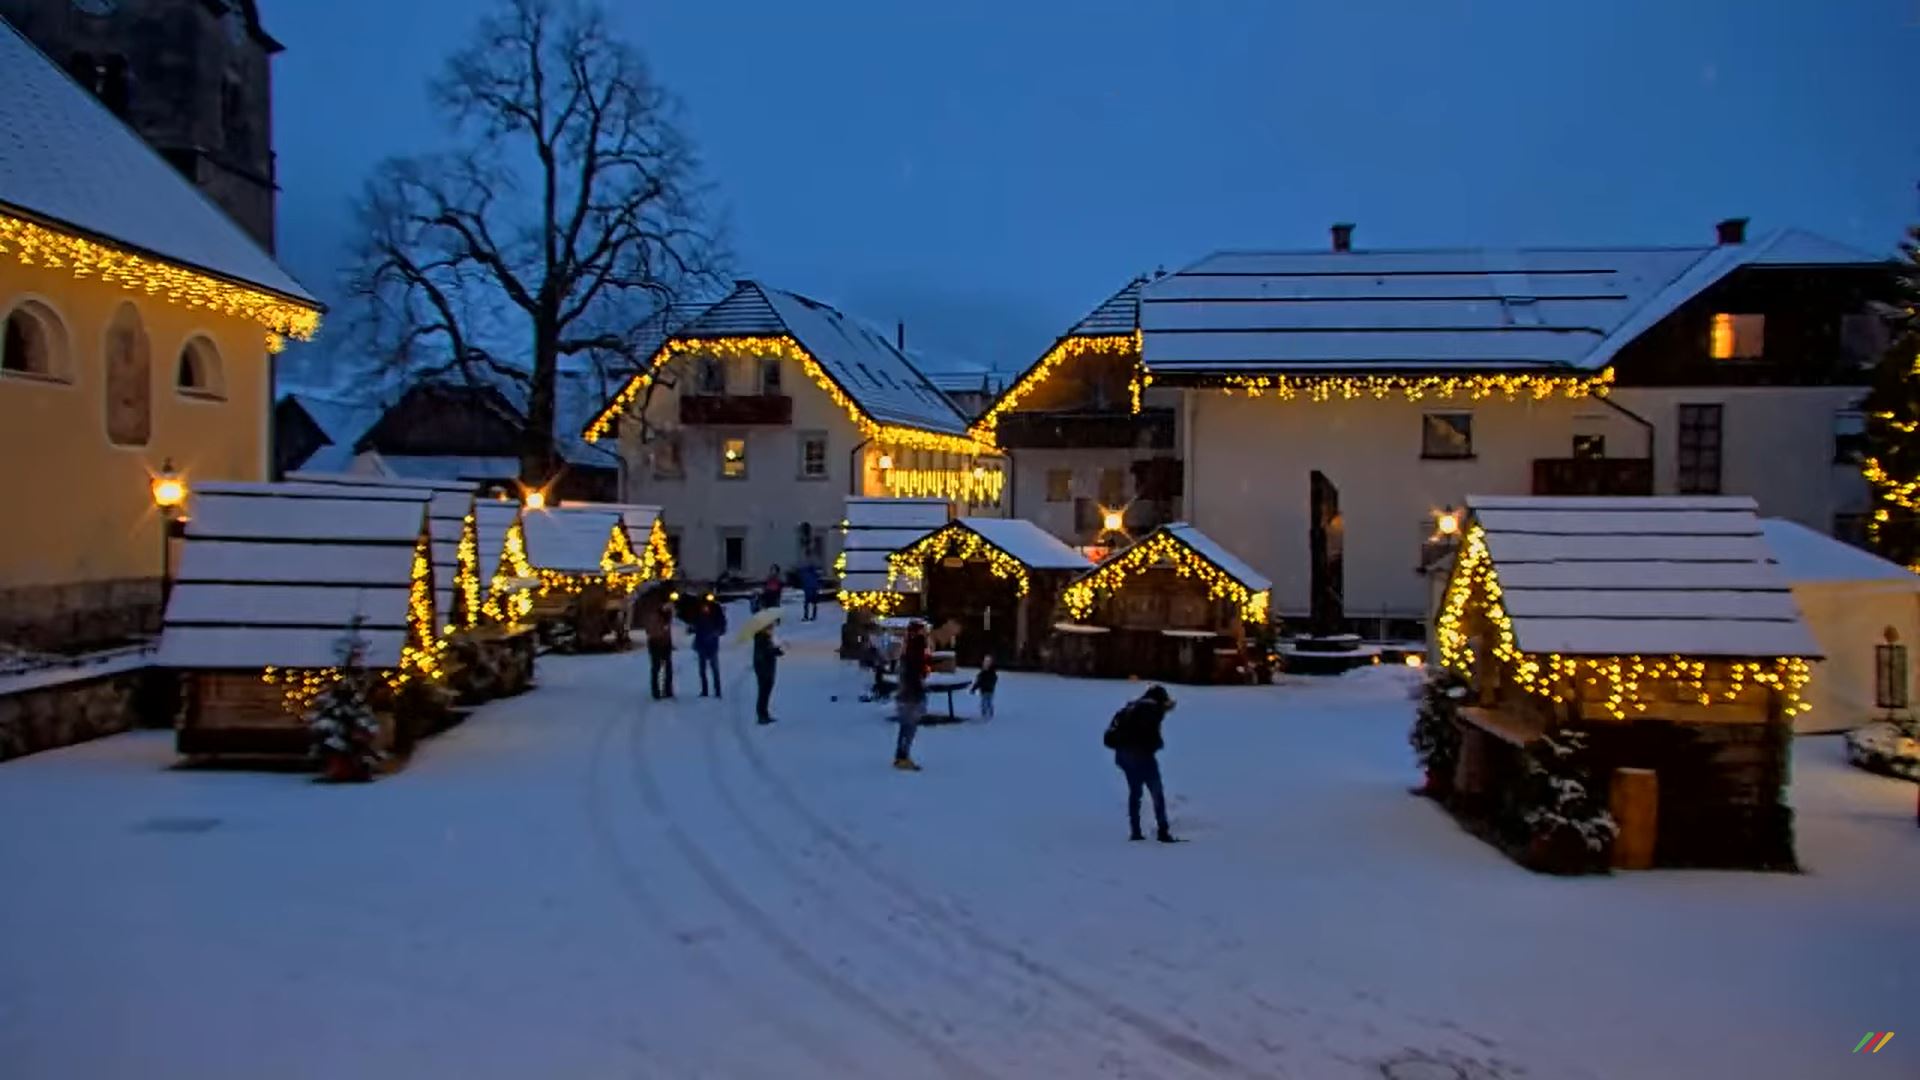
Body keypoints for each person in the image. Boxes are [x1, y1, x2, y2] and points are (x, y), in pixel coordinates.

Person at [1104, 685, 1177, 842]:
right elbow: (1150, 737)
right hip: (1141, 756)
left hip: (1123, 756)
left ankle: (1135, 831)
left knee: (1135, 792)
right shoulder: (1152, 709)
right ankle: (1163, 831)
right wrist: (1157, 744)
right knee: (1156, 791)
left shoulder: (1131, 708)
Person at [893, 621, 930, 770]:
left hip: (907, 693)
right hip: (911, 694)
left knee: (906, 727)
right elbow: (913, 674)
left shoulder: (909, 649)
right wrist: (919, 690)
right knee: (908, 727)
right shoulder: (915, 650)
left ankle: (901, 755)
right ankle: (903, 756)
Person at [693, 597, 727, 698]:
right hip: (703, 644)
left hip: (711, 644)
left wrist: (716, 632)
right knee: (704, 670)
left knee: (714, 670)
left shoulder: (715, 613)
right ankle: (705, 690)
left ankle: (717, 691)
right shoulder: (699, 614)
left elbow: (722, 627)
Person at [645, 596, 676, 700]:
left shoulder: (668, 616)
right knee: (656, 668)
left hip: (665, 644)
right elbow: (652, 631)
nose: (668, 607)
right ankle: (656, 691)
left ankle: (667, 690)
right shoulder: (655, 616)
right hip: (656, 644)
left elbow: (667, 631)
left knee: (667, 669)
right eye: (667, 606)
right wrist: (662, 630)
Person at [752, 623, 784, 724]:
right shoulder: (762, 638)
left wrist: (776, 650)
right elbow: (765, 652)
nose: (772, 629)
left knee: (765, 693)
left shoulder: (766, 638)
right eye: (770, 627)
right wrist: (775, 651)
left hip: (767, 668)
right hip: (764, 669)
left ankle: (764, 714)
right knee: (763, 693)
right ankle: (762, 715)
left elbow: (769, 650)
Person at [970, 654, 998, 719]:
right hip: (989, 690)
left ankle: (985, 713)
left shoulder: (984, 674)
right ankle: (988, 713)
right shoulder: (992, 673)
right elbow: (994, 680)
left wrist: (973, 689)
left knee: (985, 702)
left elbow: (978, 682)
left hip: (986, 690)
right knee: (988, 702)